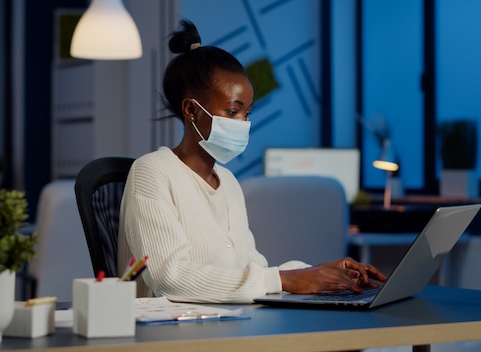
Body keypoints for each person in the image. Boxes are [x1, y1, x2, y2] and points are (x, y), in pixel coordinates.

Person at [117, 19, 387, 303]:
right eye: (233, 112)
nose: (243, 123)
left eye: (247, 113)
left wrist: (319, 273)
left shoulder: (229, 183)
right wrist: (286, 279)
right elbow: (170, 278)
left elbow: (252, 271)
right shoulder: (152, 172)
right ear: (191, 110)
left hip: (229, 326)